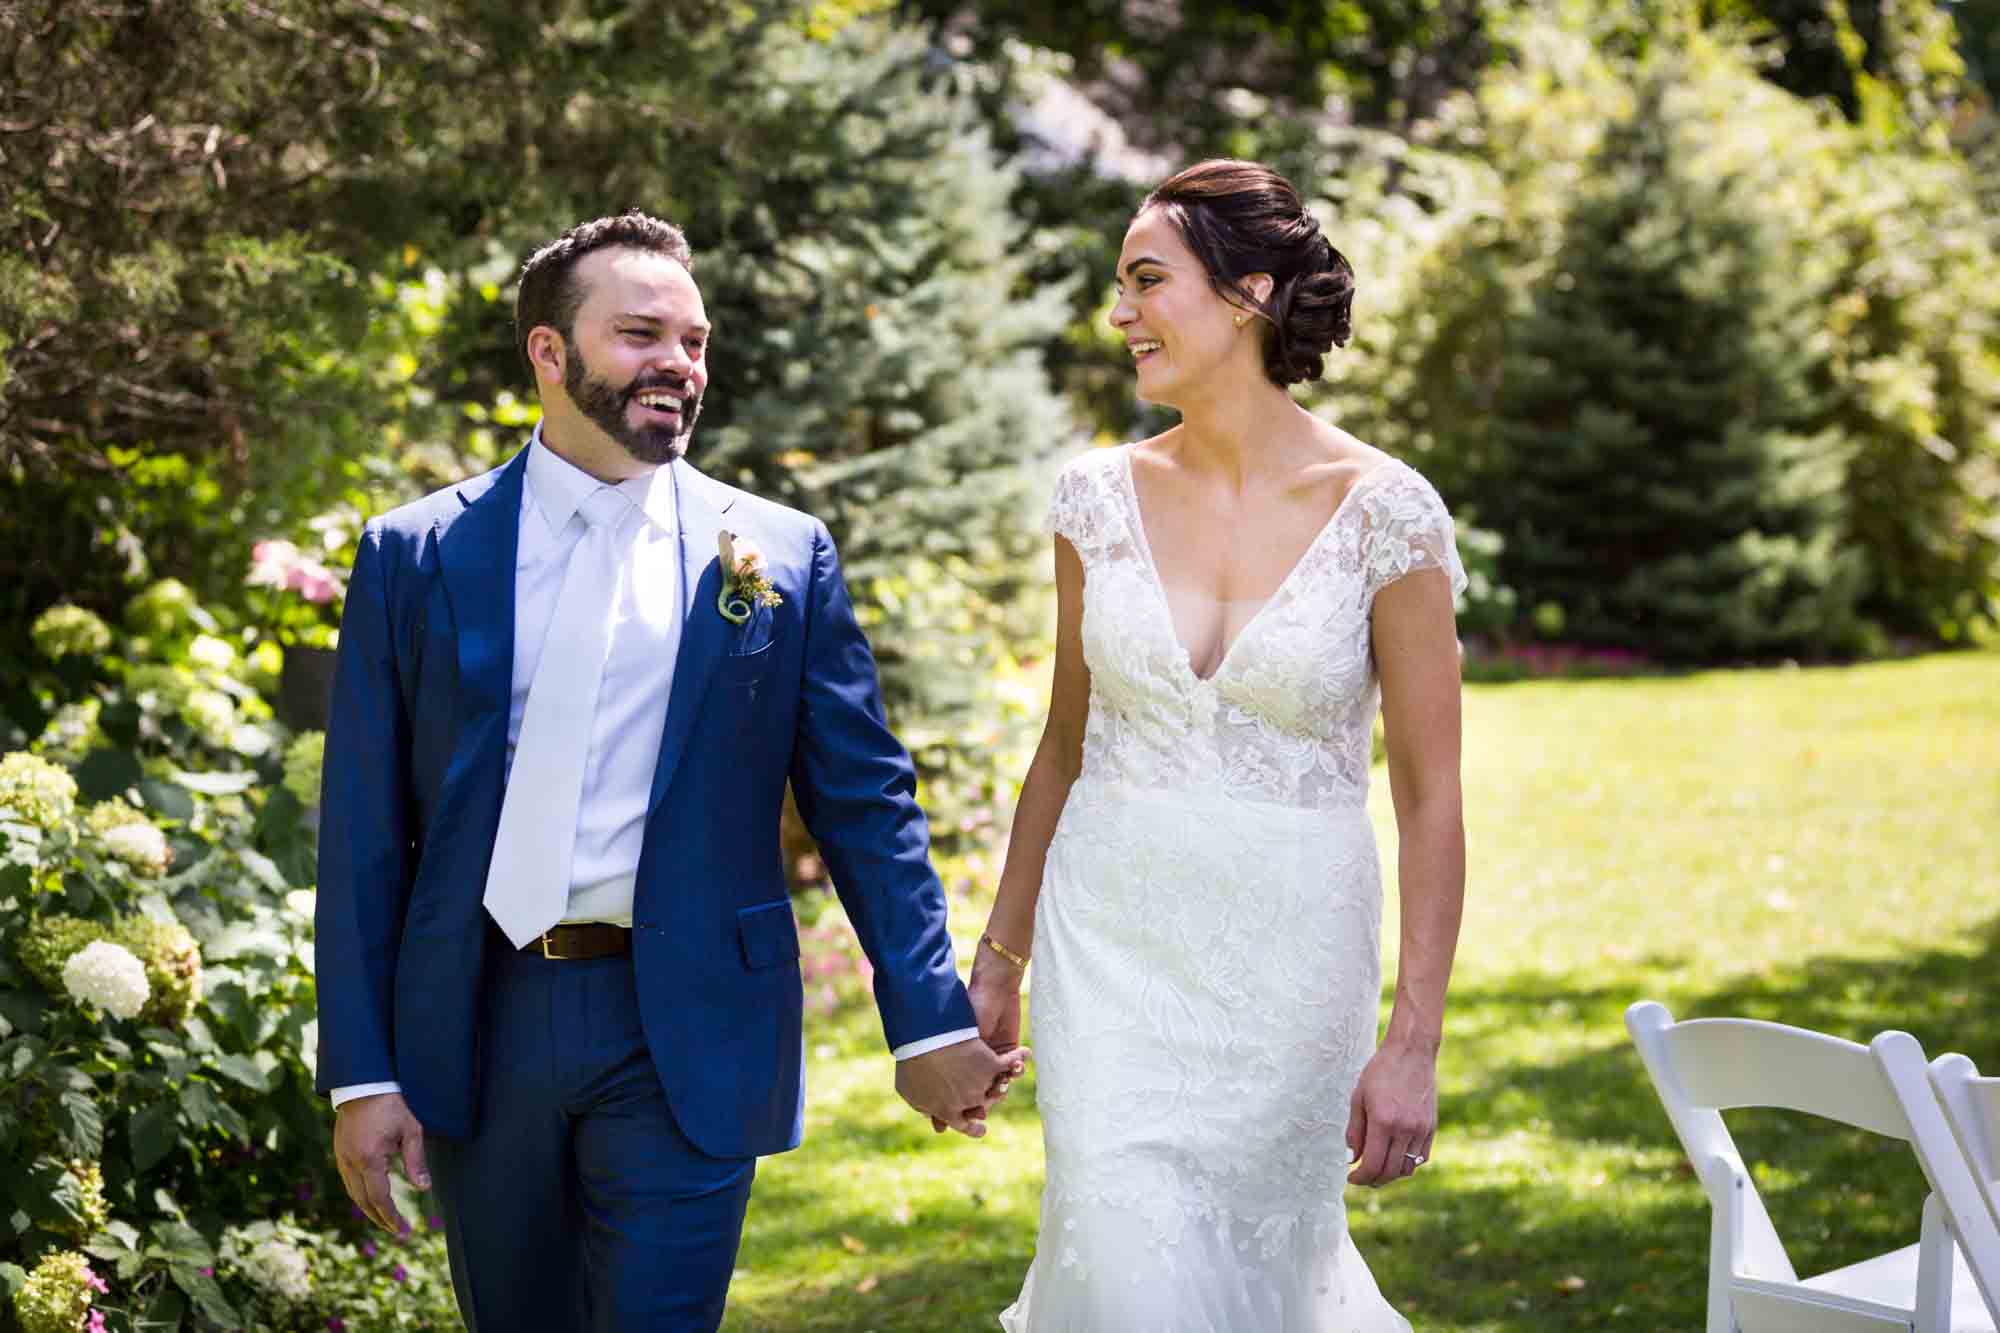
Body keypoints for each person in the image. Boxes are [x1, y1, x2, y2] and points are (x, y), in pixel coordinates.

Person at [314, 210, 1023, 1333]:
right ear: (549, 352)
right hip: (478, 1018)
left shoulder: (779, 553)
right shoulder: (415, 553)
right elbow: (360, 829)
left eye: (693, 341)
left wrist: (927, 1021)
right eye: (642, 334)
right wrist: (362, 1072)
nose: (679, 366)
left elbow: (864, 804)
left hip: (687, 1021)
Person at [974, 160, 1467, 1330]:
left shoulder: (1388, 511)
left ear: (1247, 295)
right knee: (1118, 1252)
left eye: (1146, 281)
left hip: (1291, 963)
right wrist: (1002, 951)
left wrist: (1413, 1043)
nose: (1119, 313)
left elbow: (1432, 800)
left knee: (1267, 1280)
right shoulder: (1090, 497)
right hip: (1113, 949)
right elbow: (1062, 742)